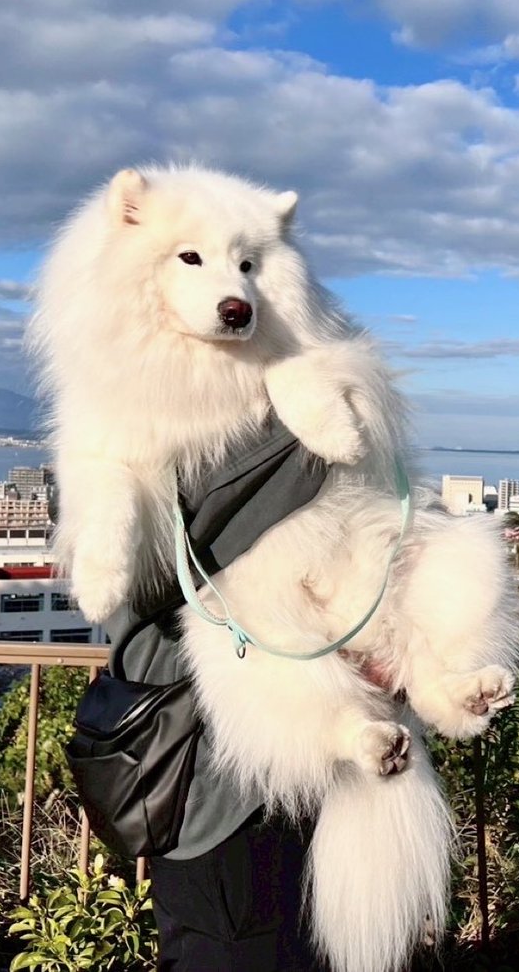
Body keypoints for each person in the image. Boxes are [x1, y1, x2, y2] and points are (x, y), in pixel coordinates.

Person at [103, 414, 329, 970]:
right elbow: (146, 576)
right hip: (225, 780)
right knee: (243, 943)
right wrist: (315, 412)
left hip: (213, 776)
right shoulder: (153, 449)